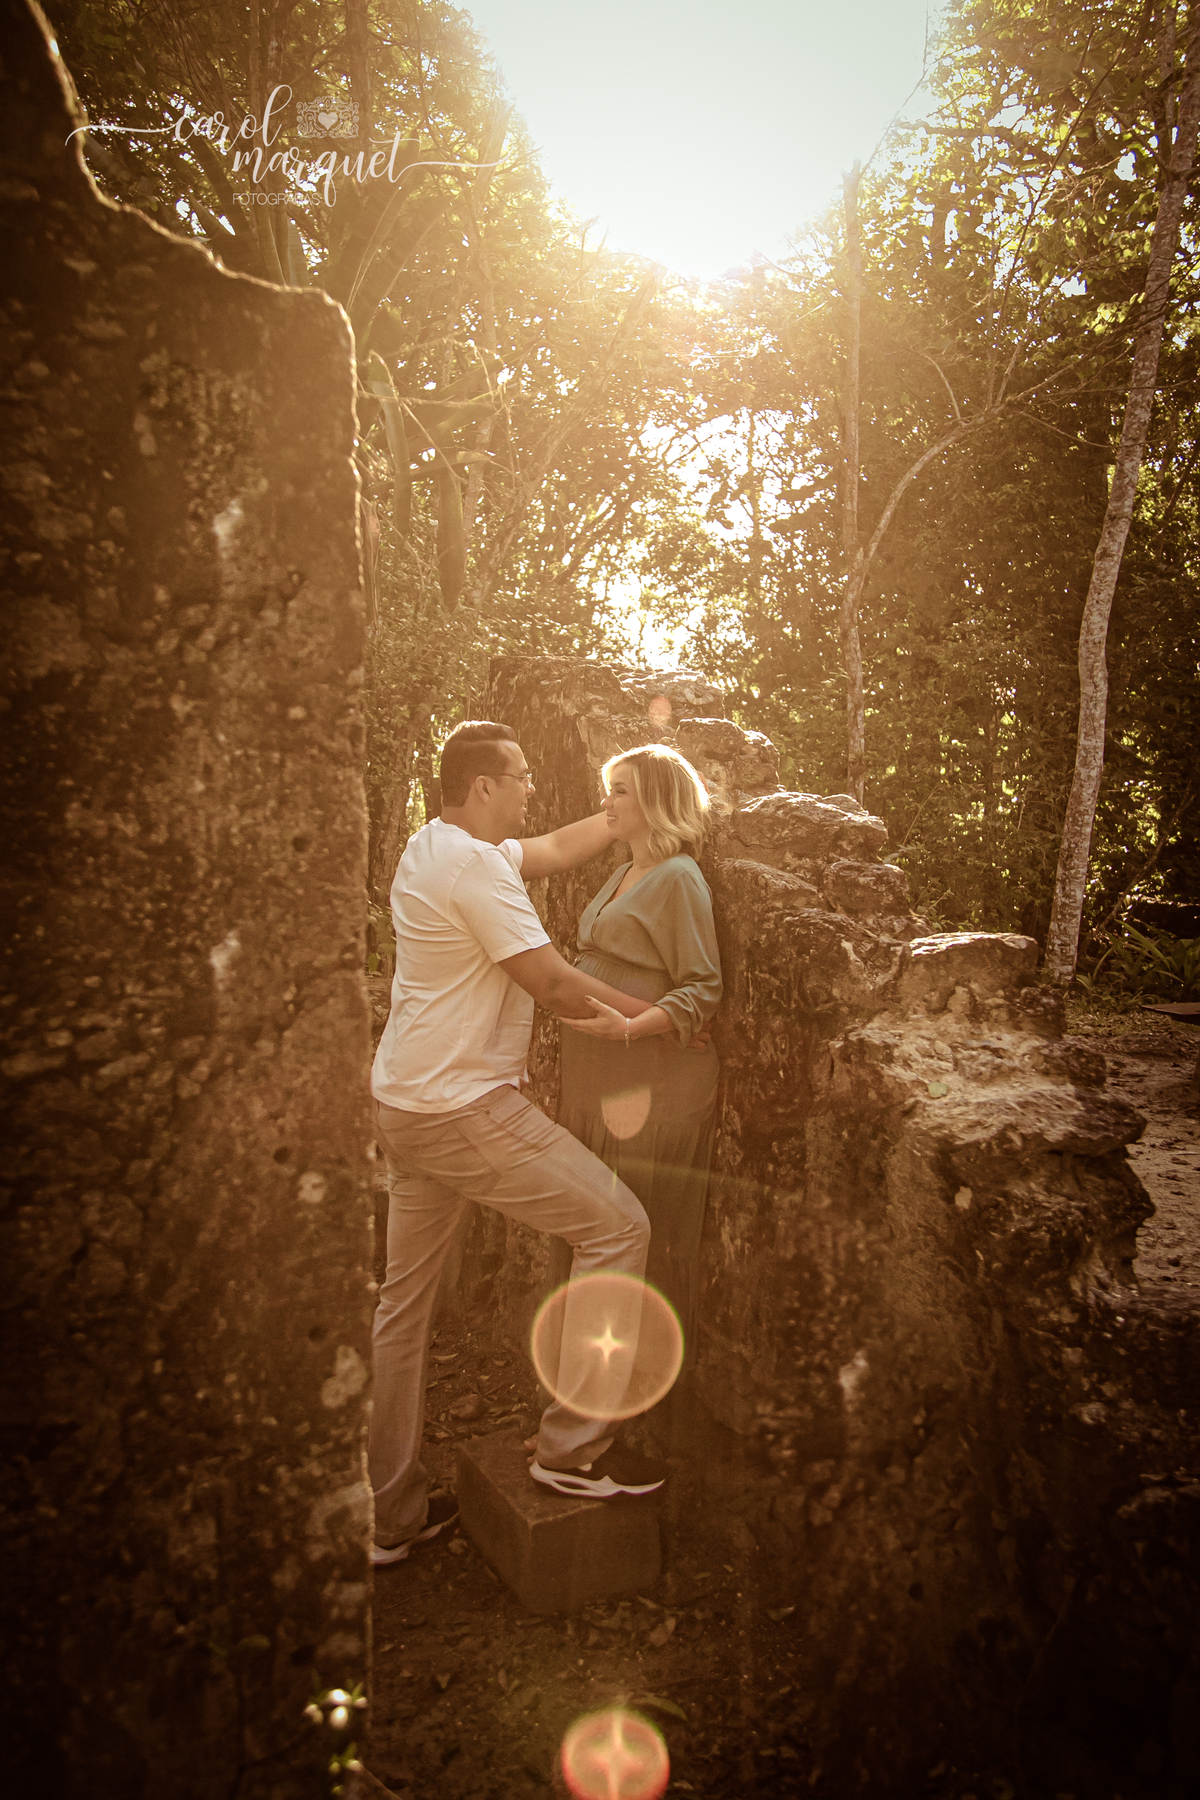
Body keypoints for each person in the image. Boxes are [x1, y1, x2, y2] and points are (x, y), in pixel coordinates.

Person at [368, 721, 673, 1568]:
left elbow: (555, 848)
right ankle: (573, 1451)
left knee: (402, 1309)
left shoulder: (435, 845)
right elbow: (551, 983)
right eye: (522, 775)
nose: (534, 785)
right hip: (461, 1107)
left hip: (404, 1101)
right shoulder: (473, 869)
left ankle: (388, 1514)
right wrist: (661, 1019)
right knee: (619, 1227)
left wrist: (623, 813)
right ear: (483, 786)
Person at [547, 744, 722, 1399]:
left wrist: (632, 1026)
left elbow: (703, 987)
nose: (607, 802)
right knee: (590, 1235)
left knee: (636, 1245)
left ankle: (626, 1408)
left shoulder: (678, 877)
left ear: (655, 799)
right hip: (596, 1087)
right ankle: (574, 1402)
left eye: (620, 790)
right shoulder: (624, 869)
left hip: (650, 1090)